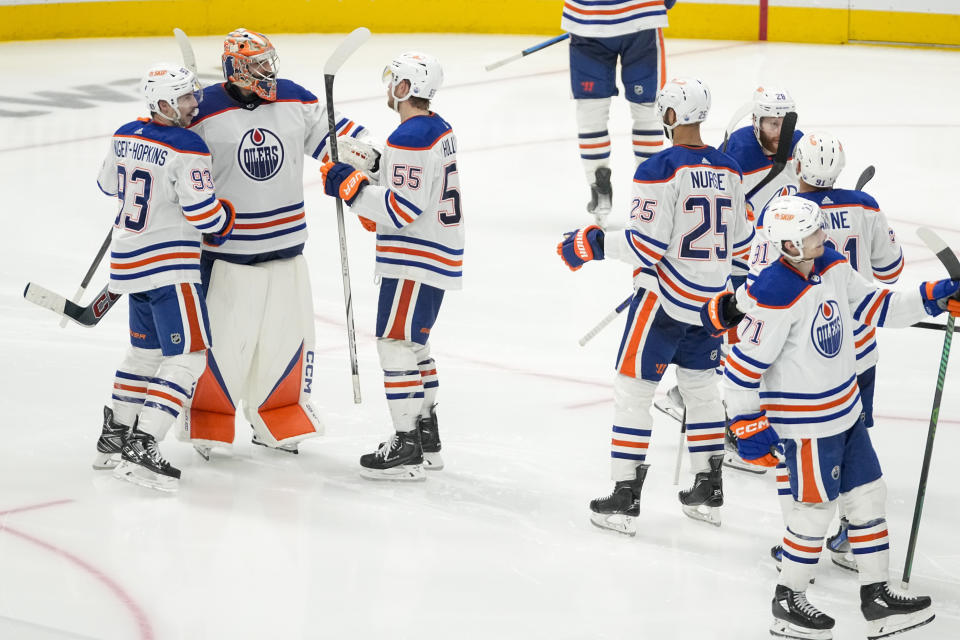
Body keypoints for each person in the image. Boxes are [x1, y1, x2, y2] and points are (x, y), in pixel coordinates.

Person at [704, 195, 953, 640]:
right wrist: (746, 424)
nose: (825, 235)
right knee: (814, 512)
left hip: (846, 412)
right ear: (792, 245)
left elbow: (878, 306)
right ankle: (787, 600)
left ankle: (876, 596)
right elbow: (741, 369)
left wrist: (932, 297)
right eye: (815, 232)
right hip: (808, 427)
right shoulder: (774, 294)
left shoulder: (833, 265)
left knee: (868, 499)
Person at [557, 77, 754, 533]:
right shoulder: (730, 170)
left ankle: (624, 494)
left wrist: (592, 244)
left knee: (633, 392)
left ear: (669, 117)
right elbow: (743, 246)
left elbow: (646, 247)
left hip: (663, 303)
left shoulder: (659, 167)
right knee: (702, 391)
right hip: (712, 305)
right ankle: (709, 487)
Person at [183, 28, 373, 457]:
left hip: (288, 247)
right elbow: (180, 172)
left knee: (288, 338)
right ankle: (209, 416)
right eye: (257, 65)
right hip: (227, 253)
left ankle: (277, 414)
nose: (268, 72)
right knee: (225, 343)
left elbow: (335, 139)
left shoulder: (292, 97)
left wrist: (364, 156)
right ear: (236, 68)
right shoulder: (202, 111)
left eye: (269, 62)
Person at [754, 132, 905, 572]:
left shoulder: (779, 213)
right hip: (859, 347)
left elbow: (760, 274)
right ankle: (843, 533)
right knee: (850, 437)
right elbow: (891, 270)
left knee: (799, 455)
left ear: (798, 167)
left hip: (802, 358)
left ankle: (795, 546)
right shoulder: (865, 205)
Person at [317, 52, 462, 480]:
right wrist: (376, 170)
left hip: (413, 258)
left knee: (394, 344)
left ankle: (407, 445)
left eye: (393, 82)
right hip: (435, 254)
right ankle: (427, 436)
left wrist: (350, 186)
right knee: (415, 346)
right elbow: (412, 186)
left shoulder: (410, 137)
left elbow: (402, 209)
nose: (388, 88)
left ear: (405, 89)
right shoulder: (437, 128)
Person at [92, 63, 235, 491]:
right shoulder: (187, 145)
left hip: (129, 264)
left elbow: (106, 185)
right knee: (189, 357)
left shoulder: (123, 134)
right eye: (186, 98)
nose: (195, 103)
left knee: (144, 357)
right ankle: (145, 441)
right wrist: (226, 216)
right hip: (170, 267)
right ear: (163, 103)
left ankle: (114, 436)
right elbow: (204, 216)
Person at [655, 86, 804, 473]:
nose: (777, 129)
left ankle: (704, 401)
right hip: (739, 262)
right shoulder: (737, 152)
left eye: (783, 121)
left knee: (766, 347)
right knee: (736, 345)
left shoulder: (798, 147)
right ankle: (709, 411)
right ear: (755, 121)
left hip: (776, 260)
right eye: (770, 121)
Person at [561, 0, 677, 226]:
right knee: (647, 109)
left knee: (590, 112)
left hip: (587, 21)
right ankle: (649, 192)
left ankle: (599, 188)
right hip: (640, 19)